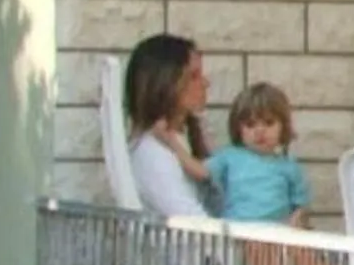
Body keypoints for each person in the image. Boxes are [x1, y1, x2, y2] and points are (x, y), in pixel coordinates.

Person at [123, 33, 214, 220]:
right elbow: (192, 223)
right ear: (166, 84)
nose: (206, 83)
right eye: (194, 76)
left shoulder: (179, 139)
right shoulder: (151, 151)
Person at [206, 83, 314, 229]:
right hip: (237, 234)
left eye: (269, 123)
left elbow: (301, 206)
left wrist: (298, 219)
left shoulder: (290, 167)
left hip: (276, 238)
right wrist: (174, 146)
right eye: (250, 125)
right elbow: (201, 172)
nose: (260, 131)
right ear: (238, 128)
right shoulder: (229, 157)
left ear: (283, 126)